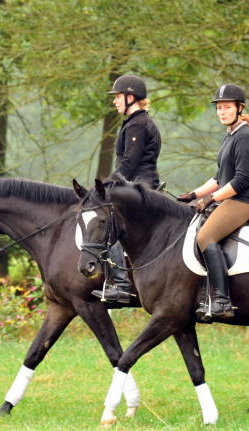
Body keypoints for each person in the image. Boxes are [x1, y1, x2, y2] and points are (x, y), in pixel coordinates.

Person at [177, 84, 249, 320]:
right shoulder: (231, 135)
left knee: (205, 236)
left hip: (245, 200)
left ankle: (222, 300)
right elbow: (220, 177)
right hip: (232, 196)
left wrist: (210, 199)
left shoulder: (245, 137)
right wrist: (193, 195)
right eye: (218, 108)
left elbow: (241, 180)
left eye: (226, 107)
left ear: (239, 108)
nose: (221, 112)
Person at [91, 74, 162, 304]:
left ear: (130, 97)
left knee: (110, 221)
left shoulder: (138, 125)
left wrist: (106, 185)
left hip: (139, 185)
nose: (114, 102)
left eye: (118, 97)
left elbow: (128, 165)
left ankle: (121, 284)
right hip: (136, 182)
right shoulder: (134, 123)